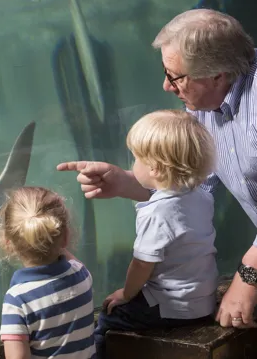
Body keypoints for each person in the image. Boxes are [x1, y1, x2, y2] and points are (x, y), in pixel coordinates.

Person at [57, 8, 257, 329]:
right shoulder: (202, 104)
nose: (166, 86)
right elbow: (190, 187)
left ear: (218, 75)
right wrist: (125, 182)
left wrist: (248, 277)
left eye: (175, 76)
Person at [93, 109, 218, 358]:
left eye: (137, 158)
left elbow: (142, 264)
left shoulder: (157, 213)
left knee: (108, 319)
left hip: (172, 307)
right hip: (204, 300)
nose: (133, 164)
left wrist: (126, 294)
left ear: (157, 169)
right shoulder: (202, 196)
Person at [0, 186, 96, 359]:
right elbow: (68, 257)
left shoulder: (18, 300)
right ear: (66, 236)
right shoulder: (81, 276)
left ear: (7, 243)